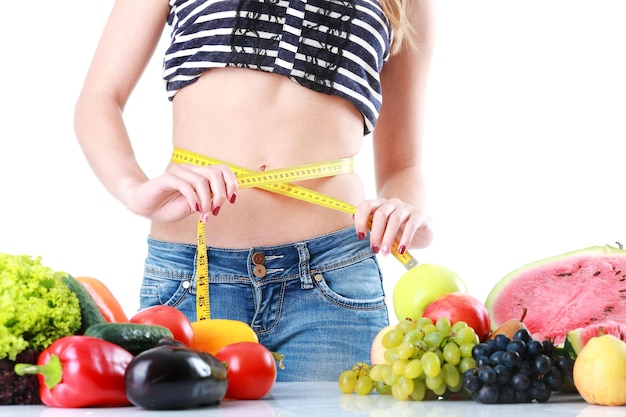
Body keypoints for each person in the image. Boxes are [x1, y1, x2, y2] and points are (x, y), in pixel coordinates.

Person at [74, 0, 435, 382]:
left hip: (333, 275)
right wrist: (132, 189)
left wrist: (405, 211)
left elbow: (404, 165)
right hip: (191, 272)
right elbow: (99, 98)